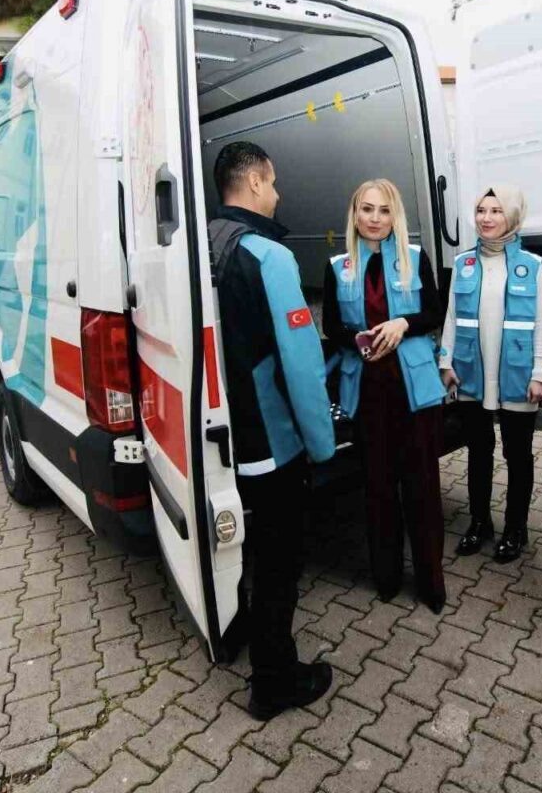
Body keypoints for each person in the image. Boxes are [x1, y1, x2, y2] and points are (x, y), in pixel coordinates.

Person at [208, 140, 337, 721]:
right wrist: (322, 443)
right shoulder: (269, 256)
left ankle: (238, 634)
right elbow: (302, 364)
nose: (278, 194)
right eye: (274, 182)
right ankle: (274, 681)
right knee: (280, 561)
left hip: (221, 432)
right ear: (256, 182)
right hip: (270, 441)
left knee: (245, 549)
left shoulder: (204, 245)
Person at [321, 179, 448, 612]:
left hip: (413, 393)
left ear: (396, 216)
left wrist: (403, 324)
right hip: (368, 392)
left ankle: (431, 583)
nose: (375, 219)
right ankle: (387, 577)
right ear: (354, 214)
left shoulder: (415, 257)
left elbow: (434, 312)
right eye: (367, 209)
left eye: (384, 210)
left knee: (422, 489)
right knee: (378, 489)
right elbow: (332, 326)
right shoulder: (338, 266)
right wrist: (357, 340)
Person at [440, 186, 542, 564]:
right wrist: (446, 362)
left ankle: (516, 528)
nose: (486, 218)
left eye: (496, 210)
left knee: (517, 455)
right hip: (472, 372)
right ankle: (479, 523)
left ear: (513, 216)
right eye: (481, 210)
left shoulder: (532, 266)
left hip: (517, 375)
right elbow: (452, 317)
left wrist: (540, 373)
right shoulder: (463, 263)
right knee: (478, 451)